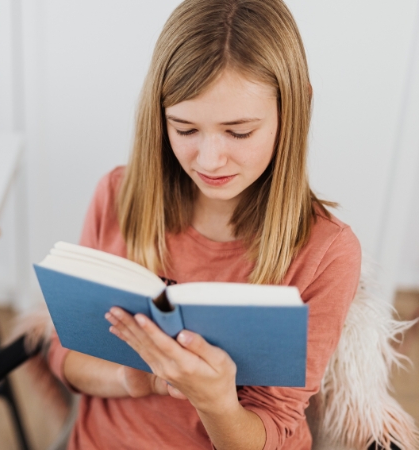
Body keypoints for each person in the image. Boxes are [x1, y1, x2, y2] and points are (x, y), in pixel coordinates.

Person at [45, 0, 362, 449]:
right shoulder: (118, 196)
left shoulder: (326, 253)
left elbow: (276, 429)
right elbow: (66, 353)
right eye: (185, 129)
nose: (210, 160)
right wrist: (138, 379)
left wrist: (215, 402)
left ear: (295, 109)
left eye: (239, 132)